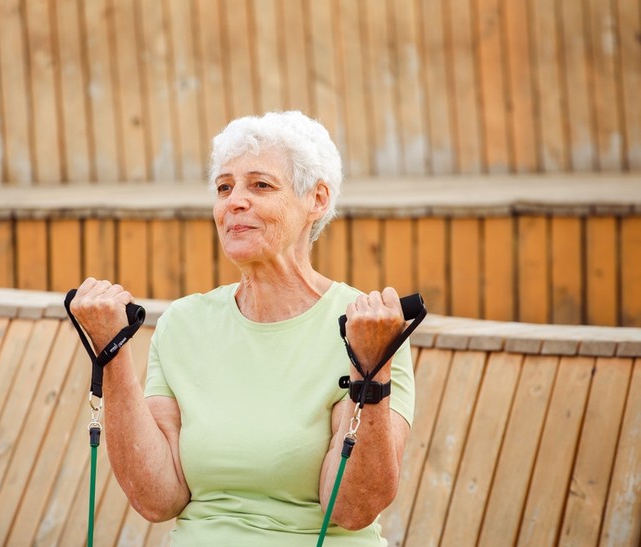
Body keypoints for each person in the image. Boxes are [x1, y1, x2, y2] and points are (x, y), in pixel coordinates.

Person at [70, 111, 414, 546]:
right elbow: (159, 498)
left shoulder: (369, 328)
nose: (234, 201)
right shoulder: (184, 323)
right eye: (224, 187)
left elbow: (350, 509)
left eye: (260, 185)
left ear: (318, 199)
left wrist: (372, 369)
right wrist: (112, 352)